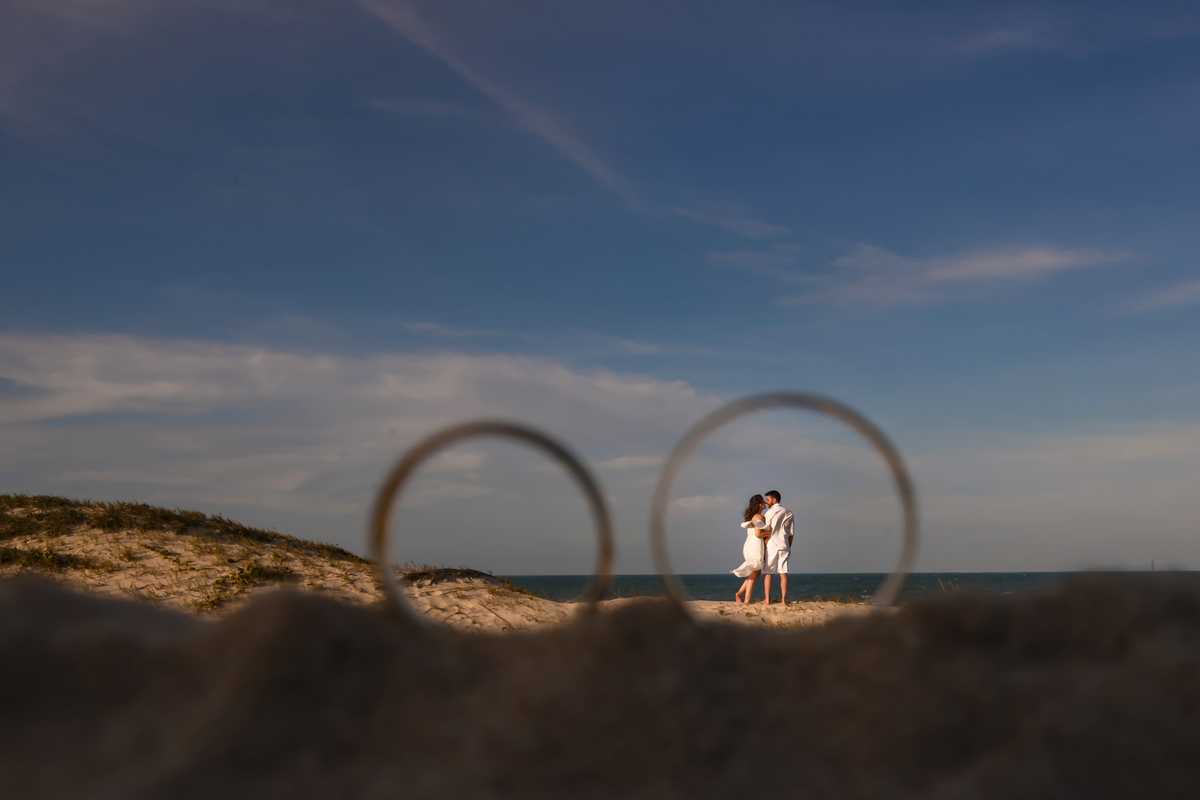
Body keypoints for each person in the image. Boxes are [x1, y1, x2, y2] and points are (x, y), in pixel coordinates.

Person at [731, 494, 770, 603]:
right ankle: (746, 600)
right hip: (755, 545)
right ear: (759, 504)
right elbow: (758, 534)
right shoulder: (758, 517)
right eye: (763, 501)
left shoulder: (756, 516)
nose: (765, 503)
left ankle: (739, 594)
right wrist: (771, 532)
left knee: (755, 573)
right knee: (755, 573)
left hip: (751, 544)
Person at [759, 490, 794, 605]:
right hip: (784, 545)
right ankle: (784, 600)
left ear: (774, 500)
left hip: (772, 545)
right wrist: (789, 547)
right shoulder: (789, 512)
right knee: (783, 573)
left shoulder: (768, 513)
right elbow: (791, 533)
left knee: (768, 573)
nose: (766, 503)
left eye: (768, 500)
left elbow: (765, 530)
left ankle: (767, 599)